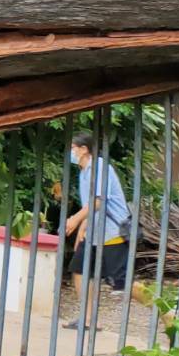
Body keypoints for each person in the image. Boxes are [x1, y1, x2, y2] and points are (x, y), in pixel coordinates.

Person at [64, 132, 131, 312]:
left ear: (84, 149)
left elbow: (98, 200)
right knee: (79, 270)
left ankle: (163, 309)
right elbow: (90, 205)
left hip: (112, 232)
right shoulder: (83, 172)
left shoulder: (99, 167)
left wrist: (75, 220)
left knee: (123, 283)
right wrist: (82, 229)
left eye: (72, 148)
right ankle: (86, 319)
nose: (70, 153)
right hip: (94, 233)